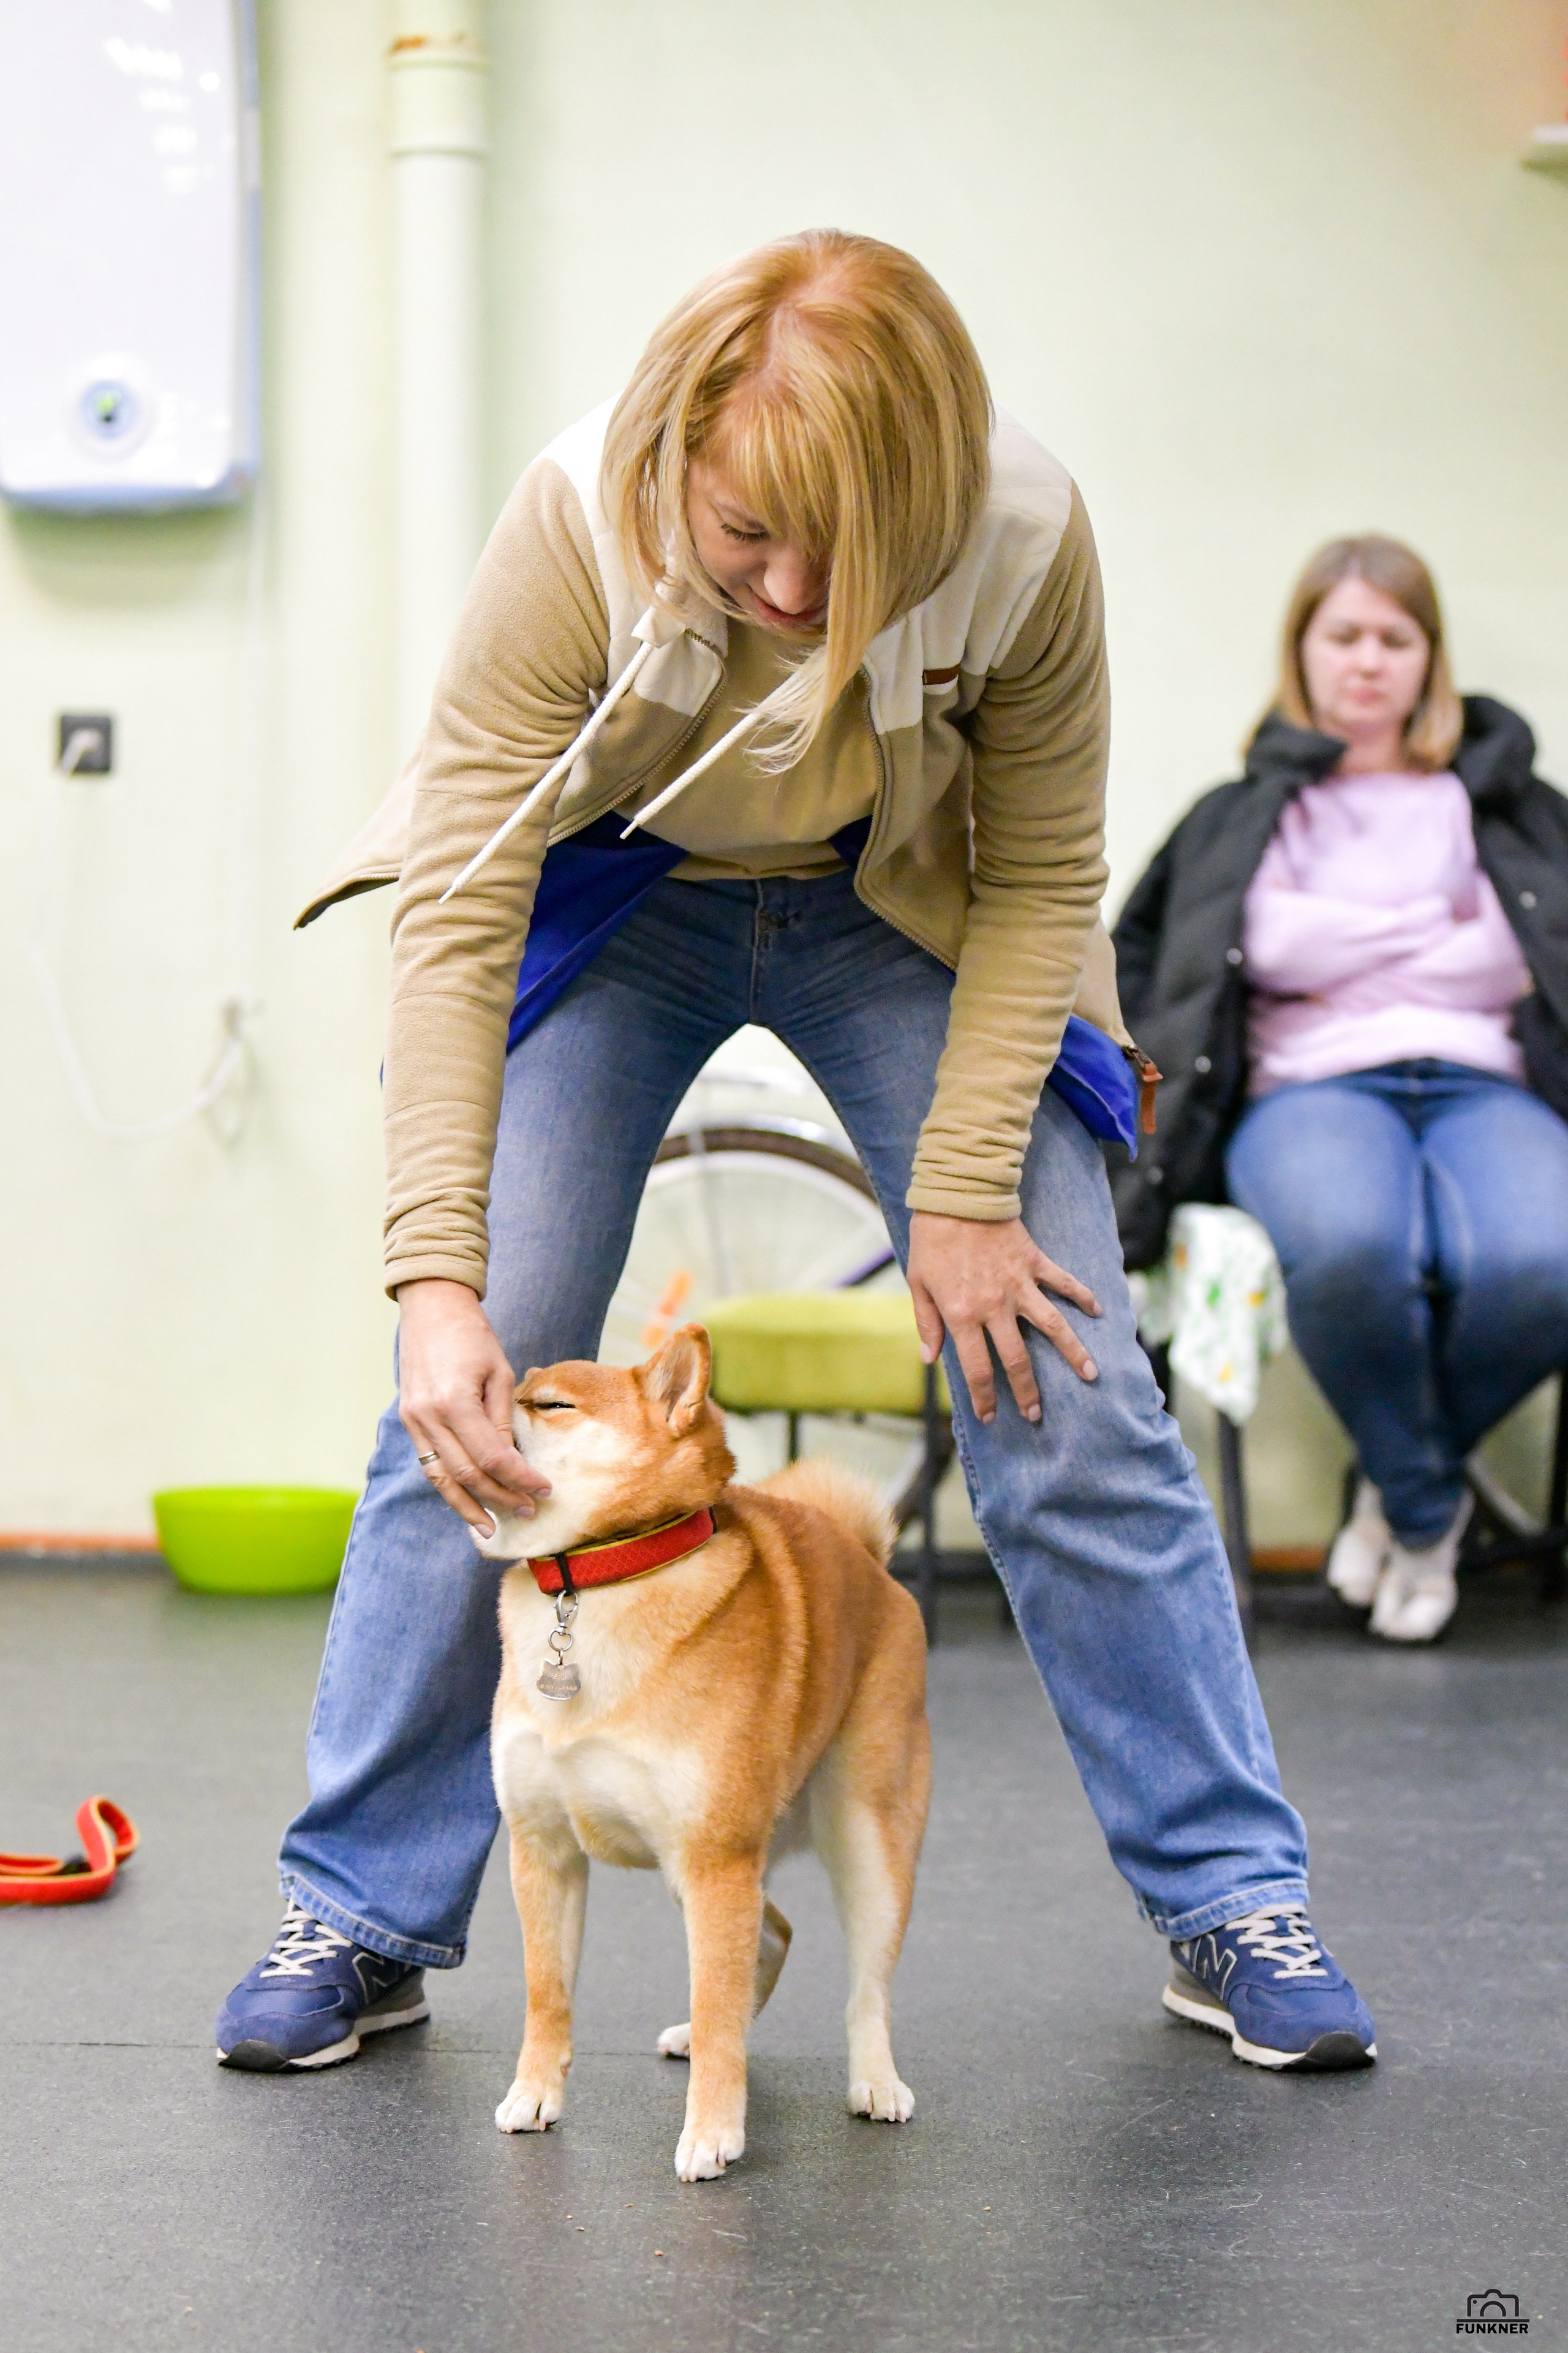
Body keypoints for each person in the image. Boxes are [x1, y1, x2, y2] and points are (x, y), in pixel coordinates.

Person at [214, 232, 1374, 2080]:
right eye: (748, 534)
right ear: (678, 450)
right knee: (481, 1368)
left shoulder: (1022, 534)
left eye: (847, 551)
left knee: (1063, 1379)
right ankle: (359, 1912)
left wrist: (969, 1192)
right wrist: (433, 1286)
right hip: (624, 891)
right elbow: (454, 905)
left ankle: (1233, 1898)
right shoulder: (574, 523)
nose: (794, 586)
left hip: (901, 902)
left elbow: (1048, 874)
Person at [1112, 535, 1568, 1644]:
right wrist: (1436, 933)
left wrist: (1329, 940)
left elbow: (1522, 957)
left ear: (1430, 658)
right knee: (1356, 1253)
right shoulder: (1237, 814)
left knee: (1546, 1261)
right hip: (1310, 1088)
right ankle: (1425, 1507)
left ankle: (1397, 1481)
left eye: (1395, 638)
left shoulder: (1512, 805)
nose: (1369, 660)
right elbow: (1141, 961)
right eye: (1345, 634)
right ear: (1303, 651)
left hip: (1484, 1081)